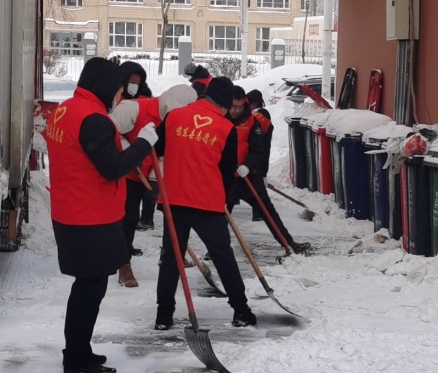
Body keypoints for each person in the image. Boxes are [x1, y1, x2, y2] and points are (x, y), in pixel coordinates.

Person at [46, 57, 157, 373]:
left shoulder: (67, 108)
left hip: (73, 210)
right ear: (107, 87)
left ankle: (80, 350)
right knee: (90, 288)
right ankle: (77, 358)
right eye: (119, 90)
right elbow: (113, 168)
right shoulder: (93, 118)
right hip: (89, 215)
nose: (120, 96)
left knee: (89, 285)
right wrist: (144, 144)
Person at [154, 76, 252, 329]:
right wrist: (223, 198)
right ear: (223, 103)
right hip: (207, 203)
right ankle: (240, 310)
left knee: (172, 257)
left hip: (174, 200)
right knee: (223, 257)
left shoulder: (174, 117)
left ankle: (163, 316)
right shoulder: (225, 127)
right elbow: (227, 169)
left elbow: (158, 147)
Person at [228, 89, 303, 252]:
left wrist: (248, 165)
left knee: (267, 210)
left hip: (248, 176)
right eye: (234, 106)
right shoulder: (221, 120)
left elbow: (259, 149)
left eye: (240, 107)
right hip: (227, 177)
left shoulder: (252, 122)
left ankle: (288, 243)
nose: (237, 110)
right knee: (221, 215)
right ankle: (215, 249)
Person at [115, 61, 160, 286]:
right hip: (125, 170)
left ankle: (125, 248)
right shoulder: (116, 103)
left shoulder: (148, 102)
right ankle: (123, 263)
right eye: (131, 82)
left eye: (138, 82)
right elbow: (113, 132)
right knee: (127, 215)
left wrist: (153, 173)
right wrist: (128, 153)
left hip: (145, 168)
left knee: (134, 216)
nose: (134, 86)